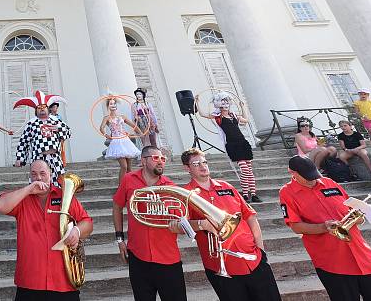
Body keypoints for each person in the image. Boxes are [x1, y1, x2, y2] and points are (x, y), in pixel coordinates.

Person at [279, 155, 371, 301]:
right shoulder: (287, 192)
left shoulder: (329, 182)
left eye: (314, 175)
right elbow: (296, 226)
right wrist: (323, 227)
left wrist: (359, 217)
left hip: (361, 254)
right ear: (292, 173)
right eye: (307, 177)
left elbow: (350, 207)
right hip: (332, 261)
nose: (312, 180)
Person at [181, 148, 281, 301]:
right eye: (196, 164)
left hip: (254, 259)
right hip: (221, 265)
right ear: (187, 168)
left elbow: (250, 217)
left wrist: (260, 251)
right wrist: (202, 224)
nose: (203, 166)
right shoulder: (185, 193)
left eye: (204, 162)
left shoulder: (226, 186)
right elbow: (179, 226)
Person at [0, 159, 93, 301]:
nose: (39, 178)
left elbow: (87, 223)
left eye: (43, 173)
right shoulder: (23, 198)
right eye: (34, 174)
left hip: (63, 281)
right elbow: (1, 206)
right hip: (30, 281)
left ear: (50, 174)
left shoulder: (64, 195)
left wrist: (77, 231)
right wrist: (29, 189)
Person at [112, 145, 186, 301]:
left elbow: (181, 220)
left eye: (163, 159)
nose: (160, 162)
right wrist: (120, 239)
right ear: (143, 161)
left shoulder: (171, 187)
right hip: (138, 255)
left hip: (168, 257)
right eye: (155, 158)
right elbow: (117, 206)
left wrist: (179, 226)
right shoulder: (128, 179)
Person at [197, 92, 262, 202]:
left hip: (243, 143)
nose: (226, 104)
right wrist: (198, 102)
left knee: (249, 170)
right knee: (245, 170)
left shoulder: (234, 115)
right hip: (233, 144)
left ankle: (253, 194)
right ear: (219, 104)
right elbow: (203, 114)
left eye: (227, 101)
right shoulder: (218, 116)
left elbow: (245, 120)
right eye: (223, 101)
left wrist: (243, 107)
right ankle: (245, 194)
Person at [14, 90, 71, 187]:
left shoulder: (55, 120)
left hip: (55, 158)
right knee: (39, 183)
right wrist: (20, 158)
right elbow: (24, 142)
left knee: (58, 182)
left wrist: (59, 129)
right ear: (36, 110)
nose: (41, 109)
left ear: (48, 108)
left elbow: (68, 132)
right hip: (39, 158)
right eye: (39, 108)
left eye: (44, 107)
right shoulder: (31, 123)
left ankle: (58, 200)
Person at [100, 96, 144, 182]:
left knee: (129, 168)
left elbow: (133, 125)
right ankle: (121, 186)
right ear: (108, 106)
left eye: (114, 103)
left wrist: (141, 133)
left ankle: (129, 185)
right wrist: (106, 134)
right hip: (116, 142)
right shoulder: (107, 118)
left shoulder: (122, 117)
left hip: (125, 141)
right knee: (124, 166)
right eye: (111, 104)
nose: (113, 105)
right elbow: (101, 128)